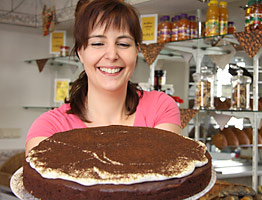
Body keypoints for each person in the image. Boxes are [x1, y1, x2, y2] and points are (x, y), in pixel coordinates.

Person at [25, 0, 181, 155]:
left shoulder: (160, 108)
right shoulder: (50, 127)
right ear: (80, 52)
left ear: (137, 50)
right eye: (98, 43)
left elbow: (169, 175)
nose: (112, 55)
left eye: (124, 44)